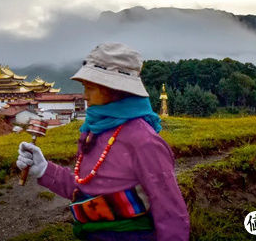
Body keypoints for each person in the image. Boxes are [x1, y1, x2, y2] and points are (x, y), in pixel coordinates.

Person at [16, 42, 189, 241]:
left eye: (91, 88)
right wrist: (45, 169)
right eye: (85, 87)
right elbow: (86, 189)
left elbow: (170, 211)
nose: (85, 95)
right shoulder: (92, 132)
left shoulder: (144, 141)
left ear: (114, 90)